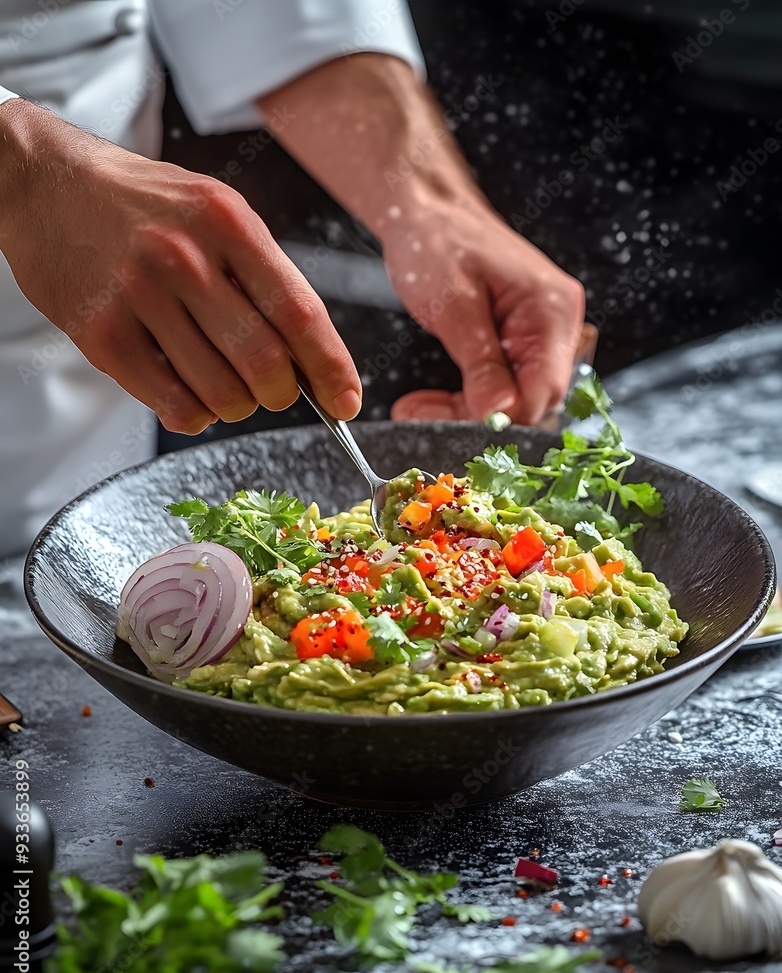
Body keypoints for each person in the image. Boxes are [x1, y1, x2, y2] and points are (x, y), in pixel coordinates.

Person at [0, 1, 584, 558]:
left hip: (70, 484)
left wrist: (434, 206)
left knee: (65, 562)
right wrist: (23, 176)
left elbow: (281, 11)